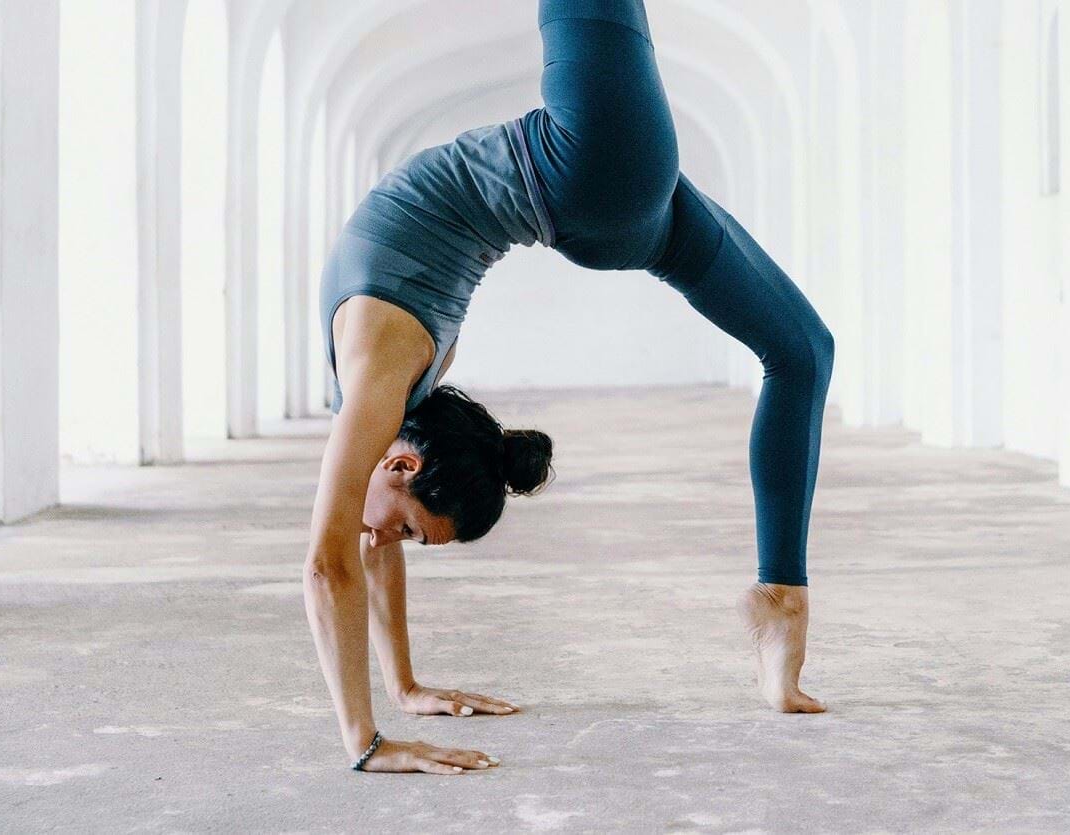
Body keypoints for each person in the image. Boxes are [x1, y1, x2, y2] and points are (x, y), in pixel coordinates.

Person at [307, 0, 834, 776]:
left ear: (403, 466)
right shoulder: (391, 411)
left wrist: (367, 741)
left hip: (592, 173)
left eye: (410, 533)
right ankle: (779, 600)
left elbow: (331, 562)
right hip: (595, 183)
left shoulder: (378, 380)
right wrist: (403, 685)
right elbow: (367, 538)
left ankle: (779, 599)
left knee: (804, 351)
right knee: (799, 354)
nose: (388, 541)